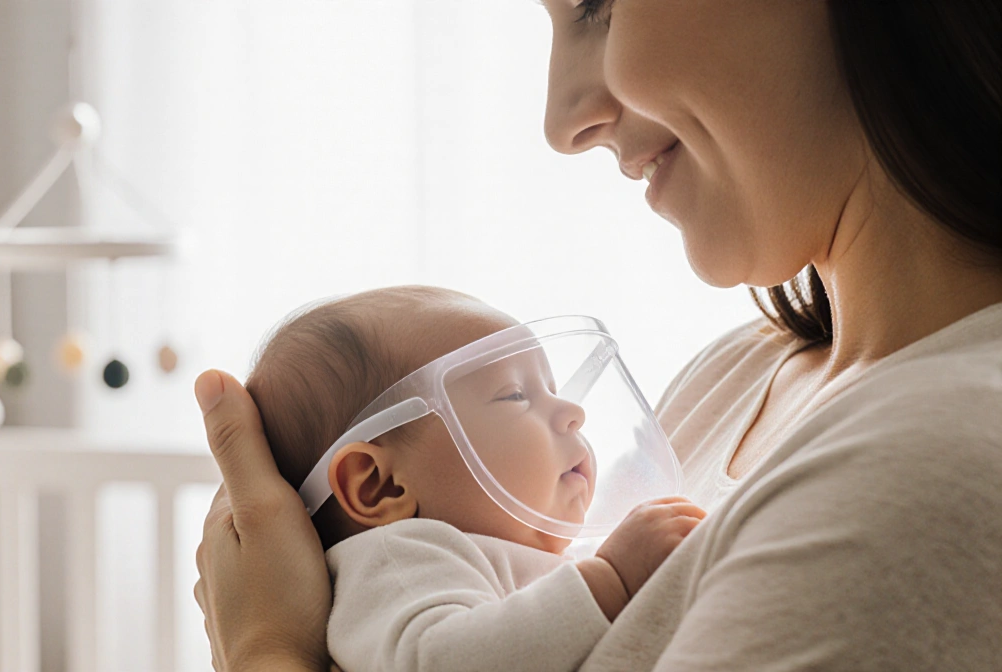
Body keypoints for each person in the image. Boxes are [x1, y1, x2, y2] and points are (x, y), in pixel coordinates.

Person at [193, 1, 1002, 670]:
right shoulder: (741, 373)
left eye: (598, 5)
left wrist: (266, 649)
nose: (561, 121)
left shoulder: (925, 465)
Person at [242, 285, 706, 671]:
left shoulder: (539, 558)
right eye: (516, 395)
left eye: (553, 389)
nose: (573, 413)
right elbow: (436, 662)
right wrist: (610, 580)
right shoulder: (399, 558)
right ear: (380, 487)